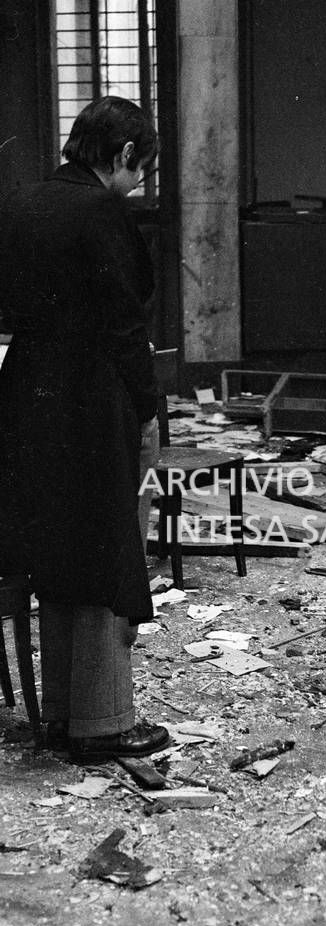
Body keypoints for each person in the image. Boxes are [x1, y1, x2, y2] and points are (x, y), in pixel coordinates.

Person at [0, 96, 169, 760]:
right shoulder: (104, 213)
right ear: (125, 155)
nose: (139, 183)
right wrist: (150, 406)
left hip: (26, 388)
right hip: (92, 395)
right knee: (105, 546)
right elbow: (124, 324)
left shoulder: (18, 203)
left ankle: (66, 713)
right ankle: (102, 723)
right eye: (140, 169)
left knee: (54, 546)